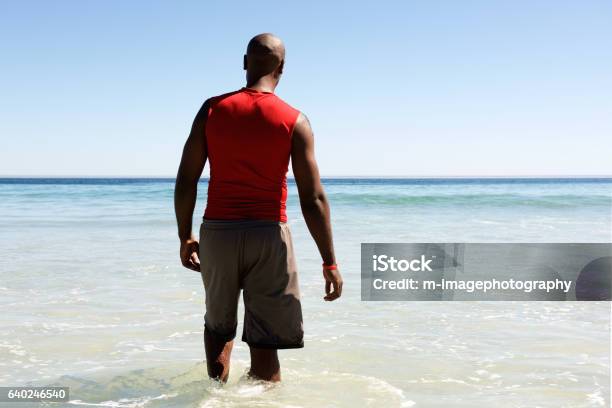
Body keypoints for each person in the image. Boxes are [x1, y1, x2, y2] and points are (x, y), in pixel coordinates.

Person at [174, 33, 343, 383]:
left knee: (218, 328)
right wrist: (329, 261)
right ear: (282, 67)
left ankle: (216, 398)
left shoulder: (212, 110)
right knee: (266, 343)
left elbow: (186, 179)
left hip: (218, 233)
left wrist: (185, 236)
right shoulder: (294, 120)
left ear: (245, 62)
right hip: (269, 235)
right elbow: (312, 199)